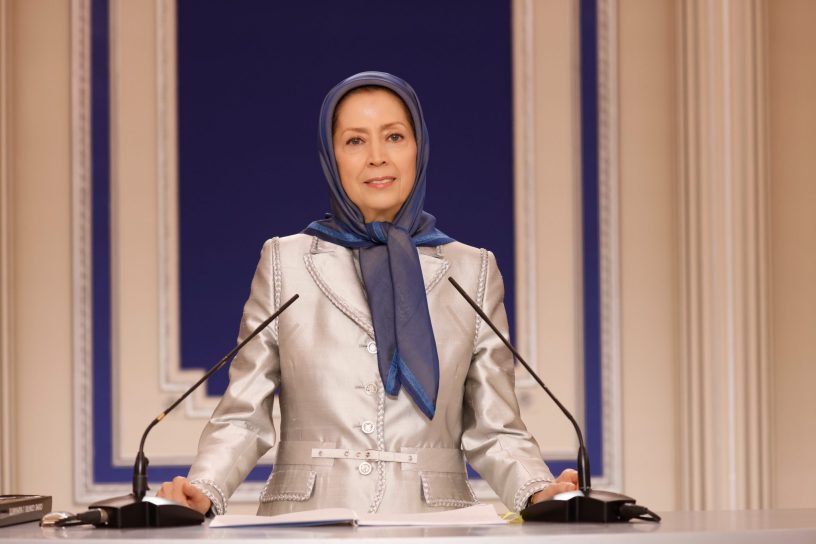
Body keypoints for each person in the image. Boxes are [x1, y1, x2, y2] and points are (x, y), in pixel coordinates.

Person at [157, 71, 577, 516]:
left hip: (435, 525)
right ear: (331, 155)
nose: (377, 157)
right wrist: (204, 488)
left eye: (394, 137)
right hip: (305, 524)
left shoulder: (473, 270)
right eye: (355, 141)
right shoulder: (284, 262)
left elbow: (496, 428)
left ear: (419, 147)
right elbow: (244, 413)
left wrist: (537, 489)